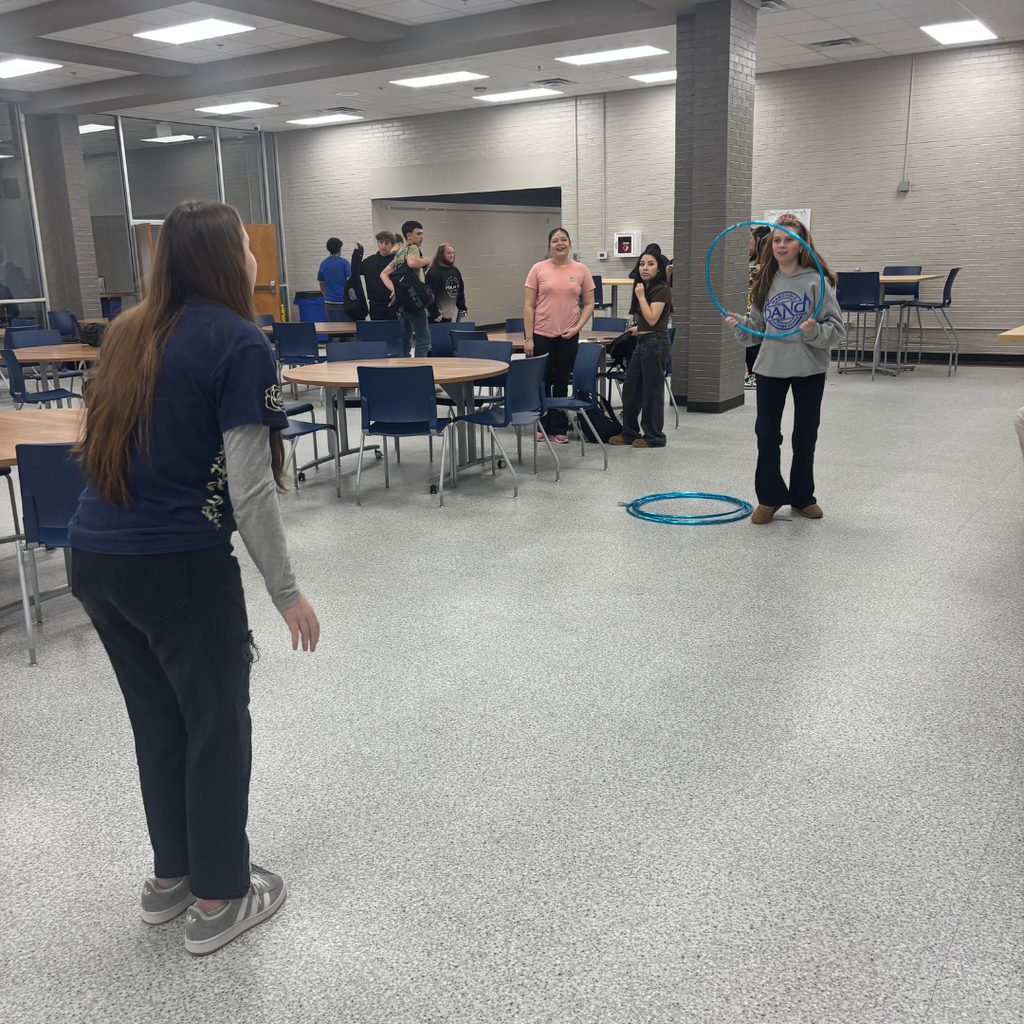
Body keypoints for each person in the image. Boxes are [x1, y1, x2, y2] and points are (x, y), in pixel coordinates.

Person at [70, 199, 320, 956]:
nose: (252, 256)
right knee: (216, 724)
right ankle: (220, 897)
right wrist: (286, 591)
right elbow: (250, 487)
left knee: (159, 720)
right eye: (244, 245)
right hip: (176, 566)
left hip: (95, 559)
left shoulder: (127, 332)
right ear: (222, 257)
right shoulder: (240, 341)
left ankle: (171, 877)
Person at [723, 216, 844, 525]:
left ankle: (803, 497)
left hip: (809, 368)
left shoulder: (817, 280)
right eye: (777, 240)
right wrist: (741, 324)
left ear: (802, 245)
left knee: (805, 434)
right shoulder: (765, 280)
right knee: (766, 433)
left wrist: (814, 331)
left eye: (789, 240)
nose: (781, 245)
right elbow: (759, 329)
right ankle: (770, 497)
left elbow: (836, 329)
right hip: (771, 366)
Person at [524, 228, 595, 444]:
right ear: (549, 246)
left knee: (562, 380)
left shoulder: (581, 270)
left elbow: (589, 304)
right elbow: (528, 305)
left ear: (570, 243)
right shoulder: (538, 269)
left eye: (563, 239)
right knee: (543, 381)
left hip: (568, 335)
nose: (560, 243)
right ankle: (542, 424)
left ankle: (559, 426)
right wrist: (529, 338)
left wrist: (577, 328)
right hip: (541, 333)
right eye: (555, 241)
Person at [609, 250, 673, 448]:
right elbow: (648, 320)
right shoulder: (643, 287)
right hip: (643, 341)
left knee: (651, 392)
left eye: (650, 264)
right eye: (642, 264)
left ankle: (654, 436)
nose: (645, 268)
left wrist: (641, 296)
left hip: (656, 343)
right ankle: (629, 432)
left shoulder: (661, 289)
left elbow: (653, 318)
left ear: (659, 269)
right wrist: (639, 328)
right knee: (631, 388)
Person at [380, 220, 432, 357]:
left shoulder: (400, 251)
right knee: (424, 340)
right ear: (409, 236)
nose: (421, 237)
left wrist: (395, 291)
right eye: (418, 234)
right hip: (414, 301)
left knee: (405, 339)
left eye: (422, 234)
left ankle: (404, 365)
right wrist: (426, 261)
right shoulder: (413, 247)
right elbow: (412, 262)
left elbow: (383, 274)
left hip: (402, 304)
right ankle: (420, 367)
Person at [745, 225, 772, 389]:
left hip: (760, 310)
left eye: (749, 239)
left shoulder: (766, 264)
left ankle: (757, 374)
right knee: (748, 344)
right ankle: (751, 373)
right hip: (747, 308)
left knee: (757, 344)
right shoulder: (750, 261)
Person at [351, 231, 398, 320]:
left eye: (387, 243)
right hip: (375, 304)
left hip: (394, 303)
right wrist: (357, 253)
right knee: (377, 328)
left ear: (392, 245)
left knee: (396, 328)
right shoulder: (370, 261)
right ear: (378, 243)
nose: (383, 246)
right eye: (381, 242)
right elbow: (355, 271)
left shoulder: (397, 261)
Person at [425, 243, 467, 323]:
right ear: (441, 255)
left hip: (448, 315)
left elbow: (460, 291)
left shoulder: (455, 271)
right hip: (436, 317)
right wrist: (434, 313)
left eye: (453, 253)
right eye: (449, 253)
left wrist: (462, 307)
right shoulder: (433, 273)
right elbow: (429, 295)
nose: (452, 256)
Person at [317, 236, 351, 322]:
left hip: (329, 301)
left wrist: (325, 295)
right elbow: (351, 279)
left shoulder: (323, 263)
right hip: (343, 300)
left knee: (331, 326)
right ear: (340, 249)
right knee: (346, 326)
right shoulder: (344, 262)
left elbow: (321, 283)